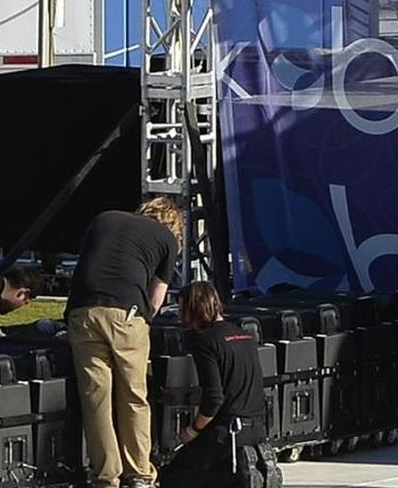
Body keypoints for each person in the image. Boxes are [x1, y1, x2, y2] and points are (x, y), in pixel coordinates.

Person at [65, 197, 183, 488]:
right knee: (133, 395)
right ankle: (139, 472)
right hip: (126, 313)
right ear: (172, 224)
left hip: (82, 311)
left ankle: (106, 476)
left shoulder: (104, 217)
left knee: (96, 399)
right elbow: (156, 300)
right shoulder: (167, 239)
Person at [160, 281, 267, 488]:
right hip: (255, 430)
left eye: (183, 310)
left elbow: (214, 398)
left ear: (196, 308)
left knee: (173, 476)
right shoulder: (245, 336)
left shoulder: (203, 340)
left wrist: (192, 431)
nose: (181, 317)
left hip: (226, 435)